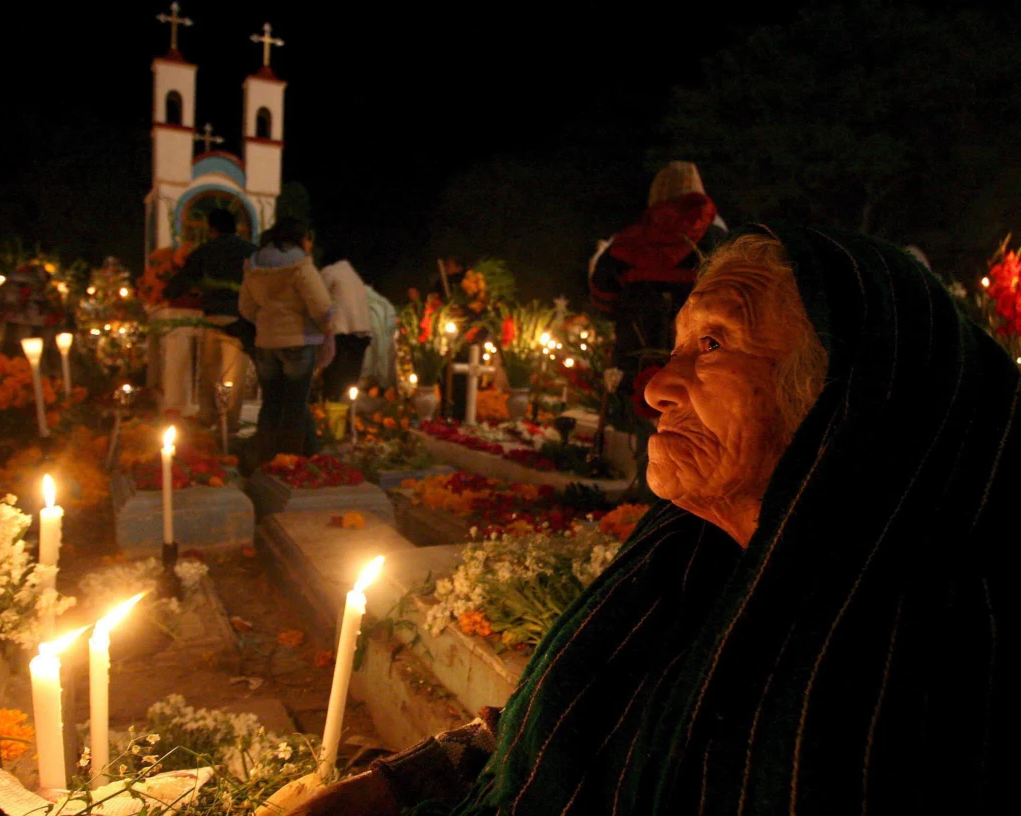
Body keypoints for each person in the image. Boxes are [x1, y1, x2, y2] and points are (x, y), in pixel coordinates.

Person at [290, 225, 1014, 814]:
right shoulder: (688, 559)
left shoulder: (905, 682)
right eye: (673, 347)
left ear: (851, 399)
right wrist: (392, 786)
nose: (658, 388)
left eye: (714, 344)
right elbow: (567, 728)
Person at [590, 161, 728, 382]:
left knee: (631, 409)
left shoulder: (628, 242)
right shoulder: (719, 241)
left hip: (634, 363)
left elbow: (602, 300)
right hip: (697, 367)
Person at [239, 218, 333, 465]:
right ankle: (290, 464)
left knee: (271, 403)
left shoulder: (254, 265)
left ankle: (264, 460)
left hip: (266, 344)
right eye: (308, 238)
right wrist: (327, 331)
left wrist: (267, 321)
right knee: (295, 405)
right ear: (300, 237)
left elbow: (246, 308)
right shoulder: (300, 265)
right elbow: (321, 306)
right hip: (298, 341)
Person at [164, 208, 257, 430]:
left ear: (212, 229)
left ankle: (207, 418)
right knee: (235, 376)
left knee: (209, 373)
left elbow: (181, 282)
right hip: (240, 321)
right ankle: (231, 423)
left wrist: (168, 292)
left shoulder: (205, 251)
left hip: (212, 318)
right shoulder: (251, 252)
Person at [317, 249, 372, 402]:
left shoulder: (329, 272)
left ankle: (333, 417)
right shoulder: (354, 276)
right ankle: (349, 417)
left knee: (334, 381)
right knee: (350, 383)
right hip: (362, 334)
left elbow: (317, 298)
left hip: (342, 333)